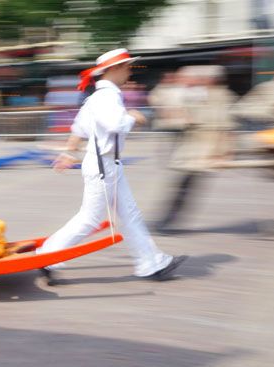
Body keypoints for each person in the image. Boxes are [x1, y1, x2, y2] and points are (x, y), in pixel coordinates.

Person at [36, 49, 187, 284]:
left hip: (107, 165)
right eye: (127, 67)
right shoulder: (107, 97)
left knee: (130, 216)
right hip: (104, 166)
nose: (130, 71)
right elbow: (115, 124)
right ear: (115, 69)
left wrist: (68, 152)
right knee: (90, 218)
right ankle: (47, 256)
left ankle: (152, 263)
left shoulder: (98, 97)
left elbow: (78, 128)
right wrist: (134, 116)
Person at [155, 65, 237, 234]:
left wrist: (225, 152)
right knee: (183, 185)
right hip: (191, 149)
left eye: (200, 78)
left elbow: (227, 128)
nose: (196, 81)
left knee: (186, 186)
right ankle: (167, 220)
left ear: (210, 79)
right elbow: (171, 109)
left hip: (206, 150)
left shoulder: (223, 97)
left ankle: (168, 221)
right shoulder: (197, 94)